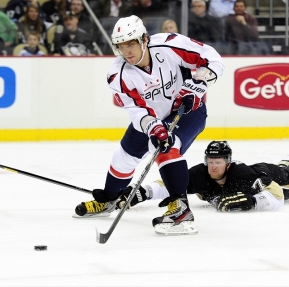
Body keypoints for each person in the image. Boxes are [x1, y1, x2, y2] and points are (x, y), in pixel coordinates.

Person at [74, 15, 225, 236]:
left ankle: (181, 210)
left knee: (165, 145)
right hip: (150, 119)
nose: (127, 51)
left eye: (131, 43)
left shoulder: (168, 45)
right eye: (121, 46)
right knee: (123, 156)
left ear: (144, 39)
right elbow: (137, 111)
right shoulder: (118, 75)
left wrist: (198, 83)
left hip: (187, 112)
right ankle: (110, 198)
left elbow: (212, 58)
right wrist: (153, 126)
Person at [116, 141, 289, 212]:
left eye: (218, 162)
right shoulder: (199, 174)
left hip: (271, 172)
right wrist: (143, 192)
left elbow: (276, 194)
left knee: (284, 174)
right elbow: (169, 184)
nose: (213, 167)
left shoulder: (241, 174)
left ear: (228, 163)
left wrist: (252, 202)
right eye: (210, 161)